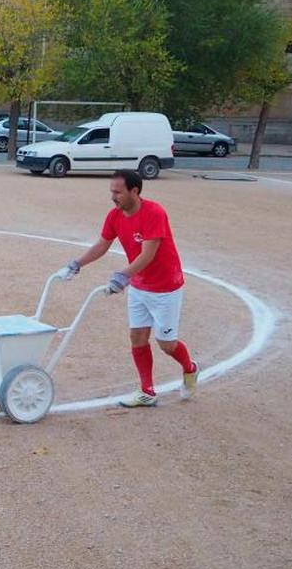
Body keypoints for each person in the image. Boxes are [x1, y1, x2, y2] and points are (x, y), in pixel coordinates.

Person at [64, 168, 198, 407]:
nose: (113, 197)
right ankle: (147, 391)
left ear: (134, 191)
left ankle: (190, 368)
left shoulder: (154, 213)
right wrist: (77, 264)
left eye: (118, 192)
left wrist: (121, 276)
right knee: (137, 338)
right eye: (111, 191)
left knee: (166, 345)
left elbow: (148, 255)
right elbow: (102, 245)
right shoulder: (114, 215)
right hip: (139, 286)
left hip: (165, 287)